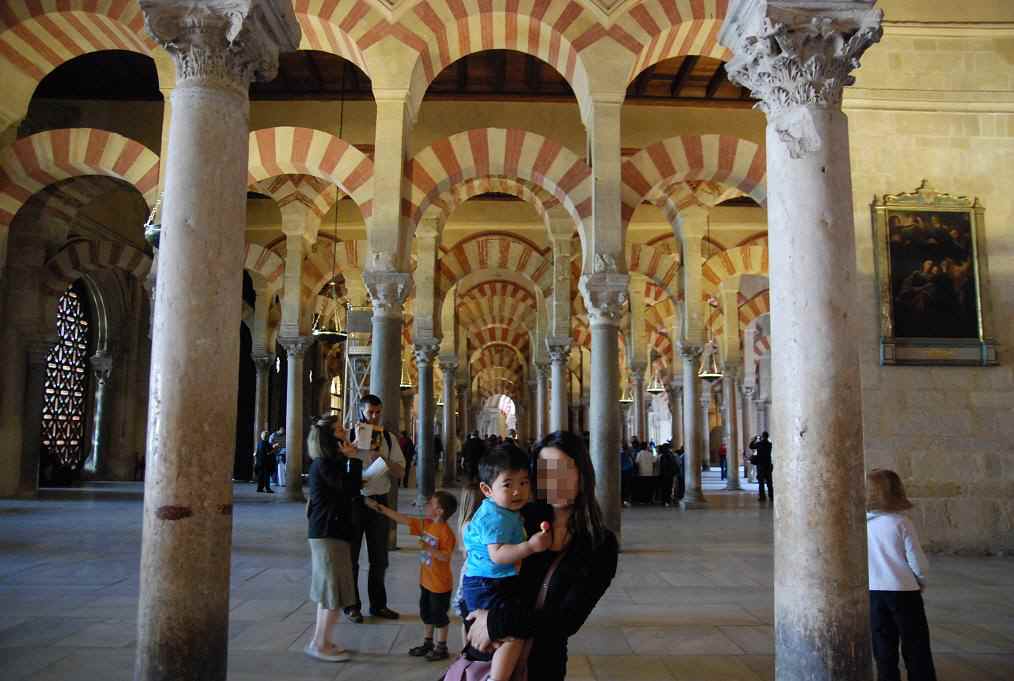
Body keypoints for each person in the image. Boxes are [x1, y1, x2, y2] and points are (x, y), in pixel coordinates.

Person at [462, 432, 618, 681]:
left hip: (543, 664)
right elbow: (477, 571)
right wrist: (475, 618)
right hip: (489, 652)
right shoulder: (519, 518)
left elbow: (568, 619)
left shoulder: (600, 544)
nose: (555, 480)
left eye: (564, 469)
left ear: (582, 473)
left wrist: (495, 622)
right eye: (546, 471)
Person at [461, 445, 552, 681]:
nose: (517, 491)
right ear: (487, 490)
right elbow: (498, 555)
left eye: (523, 482)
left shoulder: (504, 510)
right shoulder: (494, 516)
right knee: (511, 635)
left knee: (502, 632)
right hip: (487, 584)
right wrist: (530, 546)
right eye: (508, 484)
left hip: (488, 581)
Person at [365, 490, 459, 662]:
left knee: (439, 616)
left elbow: (445, 556)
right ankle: (428, 643)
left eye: (431, 504)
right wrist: (380, 508)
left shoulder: (446, 533)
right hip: (426, 581)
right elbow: (403, 519)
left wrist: (429, 549)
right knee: (426, 613)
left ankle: (442, 647)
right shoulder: (426, 524)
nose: (427, 506)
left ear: (440, 511)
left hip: (440, 585)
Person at [867, 469, 937, 681]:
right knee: (915, 643)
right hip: (904, 590)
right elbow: (916, 560)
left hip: (873, 591)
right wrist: (921, 580)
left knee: (883, 644)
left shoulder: (862, 525)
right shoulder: (901, 522)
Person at [305, 415, 361, 663]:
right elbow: (350, 488)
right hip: (329, 532)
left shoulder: (328, 463)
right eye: (339, 430)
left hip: (330, 530)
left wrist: (348, 460)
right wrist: (354, 459)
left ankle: (321, 641)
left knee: (329, 592)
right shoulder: (324, 464)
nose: (345, 431)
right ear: (329, 438)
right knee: (332, 593)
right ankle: (320, 644)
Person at [345, 393, 406, 623]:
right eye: (370, 412)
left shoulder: (388, 439)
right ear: (361, 411)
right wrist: (352, 451)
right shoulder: (349, 436)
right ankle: (352, 606)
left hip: (379, 502)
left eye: (378, 412)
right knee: (351, 557)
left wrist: (382, 459)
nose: (374, 417)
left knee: (379, 557)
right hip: (354, 501)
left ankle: (378, 605)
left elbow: (400, 472)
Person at [749, 432, 773, 502]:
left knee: (761, 482)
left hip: (760, 465)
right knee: (769, 481)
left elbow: (751, 446)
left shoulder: (759, 444)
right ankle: (771, 495)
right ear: (768, 437)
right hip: (768, 464)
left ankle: (762, 497)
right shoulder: (770, 444)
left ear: (762, 436)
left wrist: (754, 439)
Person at [656, 443, 678, 507]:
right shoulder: (671, 455)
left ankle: (665, 501)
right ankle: (667, 501)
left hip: (665, 475)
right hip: (669, 475)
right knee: (668, 488)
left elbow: (662, 466)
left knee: (665, 488)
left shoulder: (664, 456)